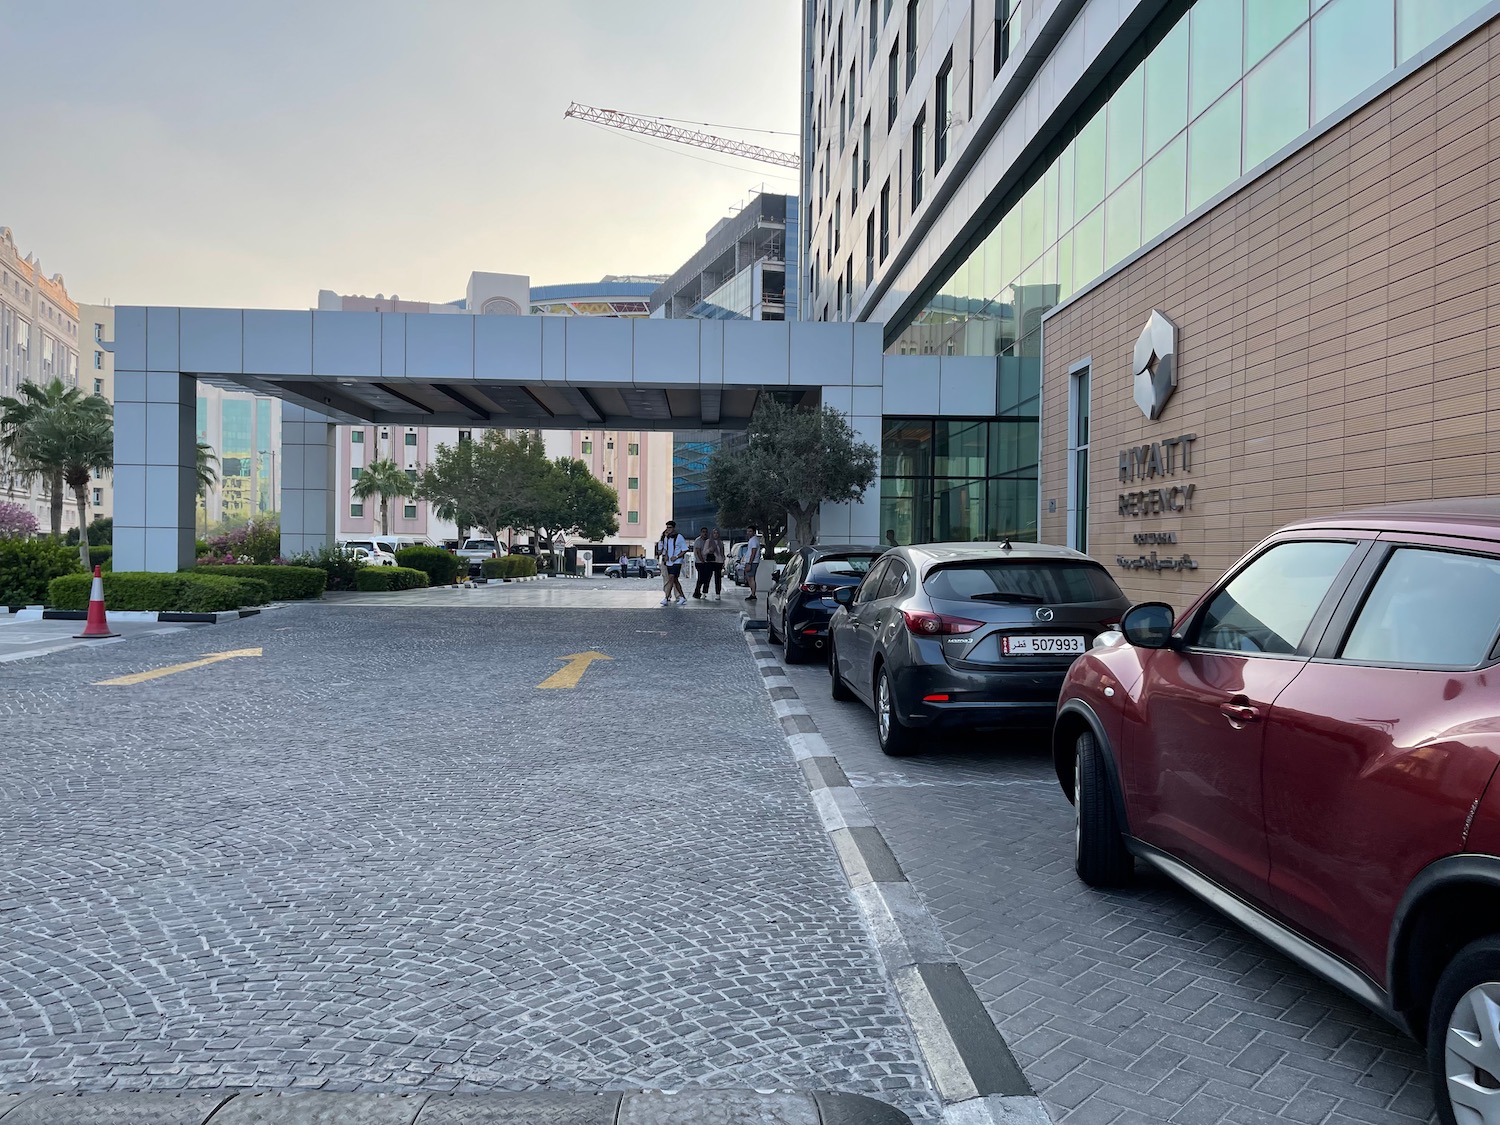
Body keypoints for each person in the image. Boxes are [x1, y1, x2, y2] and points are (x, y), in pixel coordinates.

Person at [658, 520, 689, 606]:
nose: (668, 529)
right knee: (675, 580)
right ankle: (682, 597)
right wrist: (666, 556)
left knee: (671, 578)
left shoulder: (679, 537)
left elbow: (685, 549)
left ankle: (666, 597)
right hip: (669, 562)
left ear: (674, 528)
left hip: (676, 562)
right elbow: (665, 548)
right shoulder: (666, 538)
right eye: (667, 527)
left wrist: (677, 556)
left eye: (670, 527)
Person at [700, 528, 725, 599]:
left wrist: (723, 562)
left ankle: (718, 593)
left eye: (717, 533)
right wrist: (709, 550)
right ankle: (704, 592)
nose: (716, 534)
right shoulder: (708, 541)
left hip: (719, 562)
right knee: (707, 578)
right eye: (714, 533)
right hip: (710, 562)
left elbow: (722, 553)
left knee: (718, 579)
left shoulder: (720, 542)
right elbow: (704, 552)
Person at [744, 524, 762, 602]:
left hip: (752, 562)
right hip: (750, 561)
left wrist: (749, 563)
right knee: (749, 578)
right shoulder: (752, 540)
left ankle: (753, 594)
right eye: (748, 531)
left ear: (754, 532)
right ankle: (752, 593)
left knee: (751, 578)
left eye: (750, 531)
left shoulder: (754, 540)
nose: (748, 533)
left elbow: (753, 552)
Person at [691, 528, 710, 598]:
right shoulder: (698, 541)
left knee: (706, 578)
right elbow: (698, 552)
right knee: (701, 577)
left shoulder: (708, 541)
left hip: (707, 562)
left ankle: (704, 591)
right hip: (700, 562)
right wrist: (702, 561)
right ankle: (697, 591)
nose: (705, 534)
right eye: (703, 532)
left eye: (706, 532)